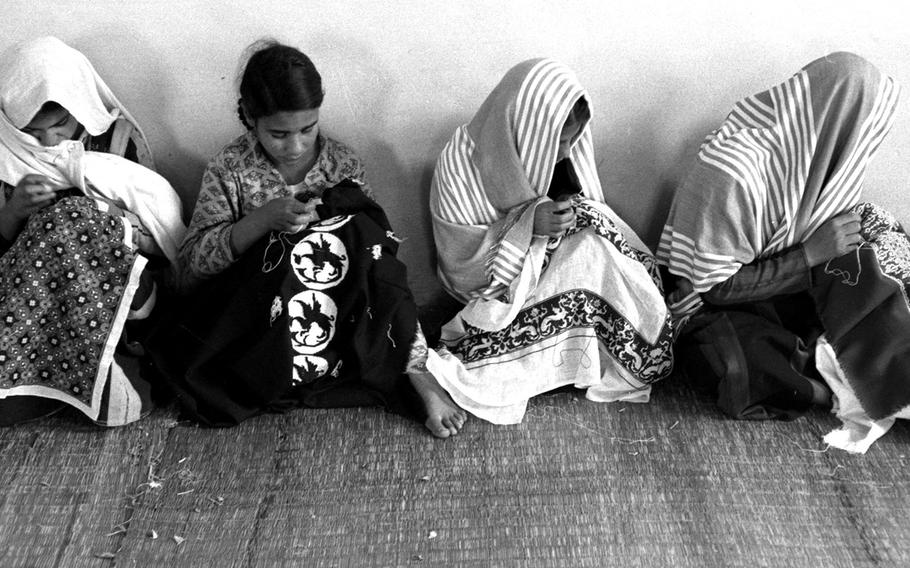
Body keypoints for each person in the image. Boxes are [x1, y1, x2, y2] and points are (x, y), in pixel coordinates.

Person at [151, 40, 466, 438]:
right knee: (299, 243)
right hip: (261, 315)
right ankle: (297, 367)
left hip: (332, 308)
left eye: (308, 128)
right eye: (278, 134)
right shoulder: (230, 168)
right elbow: (192, 267)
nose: (296, 146)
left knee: (366, 239)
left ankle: (418, 375)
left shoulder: (342, 163)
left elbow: (376, 259)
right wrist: (263, 220)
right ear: (250, 117)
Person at [658, 52, 910, 452]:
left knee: (879, 261)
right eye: (858, 125)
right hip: (712, 302)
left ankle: (875, 374)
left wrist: (835, 253)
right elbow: (713, 290)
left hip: (784, 287)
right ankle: (834, 390)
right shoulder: (734, 173)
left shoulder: (826, 163)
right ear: (831, 116)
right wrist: (810, 254)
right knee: (737, 363)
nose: (859, 141)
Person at [425, 58, 675, 425]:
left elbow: (585, 206)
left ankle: (633, 338)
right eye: (559, 140)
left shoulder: (557, 157)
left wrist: (568, 219)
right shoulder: (459, 164)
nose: (565, 151)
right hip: (491, 295)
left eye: (574, 138)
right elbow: (460, 269)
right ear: (530, 127)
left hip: (543, 268)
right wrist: (530, 224)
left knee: (596, 238)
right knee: (587, 254)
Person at [0, 36, 186, 426]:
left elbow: (154, 219)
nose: (51, 140)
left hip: (115, 279)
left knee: (74, 215)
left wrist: (92, 212)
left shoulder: (116, 139)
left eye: (61, 125)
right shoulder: (5, 152)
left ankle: (124, 329)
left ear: (81, 106)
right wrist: (16, 209)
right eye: (35, 132)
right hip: (36, 294)